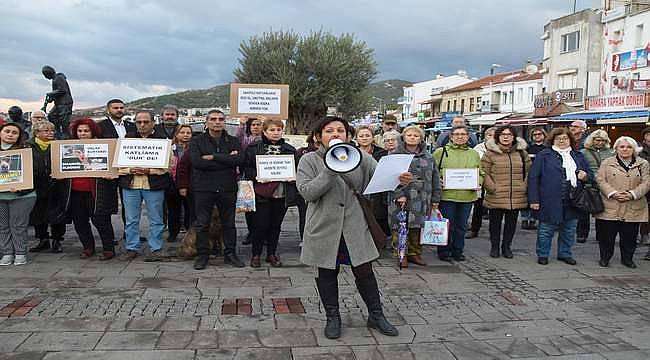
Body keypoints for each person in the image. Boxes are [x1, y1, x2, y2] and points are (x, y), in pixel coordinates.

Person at [297, 116, 398, 340]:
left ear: (348, 136)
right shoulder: (309, 160)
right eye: (329, 131)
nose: (335, 134)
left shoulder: (360, 156)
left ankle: (376, 315)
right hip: (324, 226)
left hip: (354, 224)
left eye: (340, 131)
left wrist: (399, 178)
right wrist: (330, 168)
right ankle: (333, 318)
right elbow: (307, 192)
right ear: (318, 137)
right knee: (327, 271)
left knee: (364, 271)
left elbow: (381, 176)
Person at [49, 118, 117, 260]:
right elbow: (59, 169)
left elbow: (112, 168)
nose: (83, 133)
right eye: (80, 131)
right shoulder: (68, 147)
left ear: (93, 131)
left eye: (86, 131)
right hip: (74, 193)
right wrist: (58, 175)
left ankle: (109, 248)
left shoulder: (105, 146)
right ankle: (88, 247)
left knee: (101, 221)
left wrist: (111, 175)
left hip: (97, 193)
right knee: (80, 223)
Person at [528, 127, 592, 266]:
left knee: (569, 230)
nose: (562, 141)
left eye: (565, 138)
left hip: (573, 198)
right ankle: (543, 254)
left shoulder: (578, 155)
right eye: (558, 139)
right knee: (546, 229)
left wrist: (585, 176)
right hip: (549, 199)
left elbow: (590, 174)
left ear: (570, 140)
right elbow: (534, 178)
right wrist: (534, 199)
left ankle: (565, 253)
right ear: (553, 140)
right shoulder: (544, 155)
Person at [190, 110, 245, 270]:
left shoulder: (233, 140)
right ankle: (202, 254)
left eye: (221, 119)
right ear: (206, 122)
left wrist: (214, 157)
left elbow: (240, 159)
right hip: (203, 188)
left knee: (229, 223)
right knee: (202, 223)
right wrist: (227, 159)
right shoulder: (197, 141)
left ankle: (230, 253)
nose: (217, 122)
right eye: (213, 119)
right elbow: (197, 162)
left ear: (225, 122)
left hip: (227, 187)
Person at [243, 118, 297, 267]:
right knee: (259, 225)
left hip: (281, 193)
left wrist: (293, 177)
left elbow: (297, 169)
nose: (275, 133)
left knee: (275, 225)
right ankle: (256, 254)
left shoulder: (290, 149)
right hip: (261, 192)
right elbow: (246, 168)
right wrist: (257, 176)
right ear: (265, 131)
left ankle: (271, 254)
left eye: (278, 130)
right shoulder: (253, 148)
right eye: (272, 130)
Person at [117, 111, 171, 261]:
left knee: (156, 219)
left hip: (153, 185)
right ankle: (132, 247)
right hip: (131, 184)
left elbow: (167, 166)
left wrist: (149, 170)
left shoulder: (162, 140)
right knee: (131, 219)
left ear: (153, 123)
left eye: (146, 122)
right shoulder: (126, 139)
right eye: (139, 122)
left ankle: (156, 248)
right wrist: (129, 170)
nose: (142, 125)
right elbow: (118, 164)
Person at [388, 125, 441, 267]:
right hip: (401, 198)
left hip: (422, 198)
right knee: (400, 226)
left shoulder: (429, 157)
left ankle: (415, 253)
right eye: (409, 135)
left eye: (416, 135)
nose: (412, 137)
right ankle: (401, 254)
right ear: (404, 137)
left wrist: (436, 198)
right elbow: (389, 177)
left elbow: (435, 178)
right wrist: (398, 194)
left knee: (417, 227)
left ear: (421, 138)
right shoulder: (394, 155)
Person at [594, 136, 649, 268]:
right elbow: (601, 180)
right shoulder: (607, 162)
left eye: (629, 147)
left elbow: (646, 182)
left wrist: (632, 194)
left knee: (630, 235)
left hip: (633, 204)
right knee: (607, 235)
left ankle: (627, 259)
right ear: (616, 148)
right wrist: (613, 193)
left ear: (634, 149)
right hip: (610, 204)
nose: (625, 149)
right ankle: (605, 257)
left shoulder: (643, 163)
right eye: (622, 147)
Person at [433, 125, 483, 262]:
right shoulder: (440, 152)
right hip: (447, 196)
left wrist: (478, 182)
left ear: (468, 137)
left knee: (461, 226)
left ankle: (458, 250)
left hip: (467, 196)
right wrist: (439, 181)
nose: (460, 137)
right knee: (447, 224)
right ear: (451, 136)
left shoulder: (473, 154)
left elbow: (481, 172)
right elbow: (432, 172)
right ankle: (444, 250)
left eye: (463, 134)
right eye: (457, 134)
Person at [481, 125, 531, 258]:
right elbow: (483, 172)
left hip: (516, 194)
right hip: (496, 194)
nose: (505, 137)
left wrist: (523, 186)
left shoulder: (521, 153)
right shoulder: (490, 153)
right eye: (502, 134)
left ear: (514, 137)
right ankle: (495, 247)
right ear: (497, 137)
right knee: (494, 224)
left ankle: (507, 247)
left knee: (511, 224)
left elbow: (528, 172)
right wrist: (492, 187)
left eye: (508, 134)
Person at [0, 123, 37, 265]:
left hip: (23, 196)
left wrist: (22, 187)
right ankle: (7, 253)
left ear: (19, 136)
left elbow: (35, 173)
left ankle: (20, 252)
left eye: (14, 133)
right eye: (7, 131)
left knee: (18, 226)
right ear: (1, 133)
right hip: (1, 196)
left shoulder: (26, 151)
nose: (10, 134)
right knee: (2, 226)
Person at [28, 121, 66, 253]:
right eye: (46, 131)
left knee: (56, 214)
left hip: (56, 184)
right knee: (38, 214)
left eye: (52, 130)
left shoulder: (59, 145)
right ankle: (43, 240)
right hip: (37, 185)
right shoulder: (28, 146)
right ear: (36, 133)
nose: (50, 133)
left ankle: (57, 240)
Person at [577, 130, 614, 243]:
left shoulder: (611, 152)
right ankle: (582, 234)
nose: (600, 142)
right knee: (584, 211)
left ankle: (601, 235)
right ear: (592, 140)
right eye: (598, 140)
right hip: (587, 184)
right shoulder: (583, 152)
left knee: (602, 212)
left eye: (603, 140)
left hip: (605, 185)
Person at [356, 126, 390, 236]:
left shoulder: (383, 153)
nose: (364, 138)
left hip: (378, 192)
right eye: (361, 136)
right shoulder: (352, 153)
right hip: (358, 190)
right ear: (357, 138)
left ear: (372, 137)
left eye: (367, 135)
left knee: (378, 218)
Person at [235, 116, 263, 245]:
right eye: (253, 125)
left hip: (263, 177)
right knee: (248, 207)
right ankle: (251, 233)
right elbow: (238, 136)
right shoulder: (245, 140)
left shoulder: (266, 140)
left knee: (263, 209)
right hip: (247, 177)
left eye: (259, 124)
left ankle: (262, 235)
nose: (256, 127)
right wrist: (241, 124)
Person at [467, 127, 496, 239]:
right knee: (478, 207)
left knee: (494, 208)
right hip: (480, 181)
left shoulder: (501, 149)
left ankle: (493, 231)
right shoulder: (477, 149)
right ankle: (475, 229)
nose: (491, 137)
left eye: (494, 135)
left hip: (495, 181)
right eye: (489, 135)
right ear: (485, 136)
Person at [167, 124, 193, 243]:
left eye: (188, 133)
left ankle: (190, 231)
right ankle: (173, 232)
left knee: (190, 209)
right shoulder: (169, 148)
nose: (185, 135)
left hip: (189, 183)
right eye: (182, 132)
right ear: (176, 134)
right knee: (173, 210)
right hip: (172, 182)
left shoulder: (194, 148)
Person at [294, 131, 318, 245]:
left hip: (321, 189)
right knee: (304, 215)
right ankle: (304, 238)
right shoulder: (302, 152)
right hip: (305, 188)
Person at [522, 127, 547, 229]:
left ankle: (533, 219)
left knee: (537, 198)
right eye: (535, 134)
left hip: (542, 176)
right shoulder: (527, 149)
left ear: (544, 135)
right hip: (529, 175)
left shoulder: (547, 149)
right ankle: (524, 218)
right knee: (525, 197)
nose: (537, 136)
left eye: (539, 134)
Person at [42, 65, 73, 139]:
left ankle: (65, 134)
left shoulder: (59, 78)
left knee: (64, 119)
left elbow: (62, 90)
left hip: (65, 103)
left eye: (45, 75)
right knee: (51, 115)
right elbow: (57, 93)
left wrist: (51, 93)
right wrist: (51, 98)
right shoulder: (54, 79)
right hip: (58, 103)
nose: (45, 77)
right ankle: (57, 132)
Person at [639, 127, 650, 248]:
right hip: (642, 184)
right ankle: (642, 233)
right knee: (639, 210)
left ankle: (644, 233)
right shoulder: (639, 151)